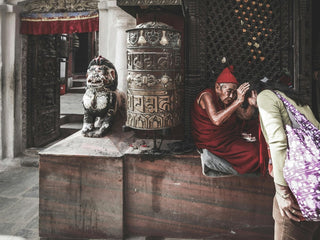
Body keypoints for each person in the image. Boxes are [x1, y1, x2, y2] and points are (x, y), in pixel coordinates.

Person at [256, 80, 320, 239]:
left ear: (253, 93)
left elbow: (278, 142)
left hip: (295, 190)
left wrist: (283, 193)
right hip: (314, 188)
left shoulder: (264, 96)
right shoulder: (298, 102)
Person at [191, 65, 267, 174]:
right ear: (218, 87)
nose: (231, 96)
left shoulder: (230, 98)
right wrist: (237, 102)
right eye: (229, 91)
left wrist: (252, 105)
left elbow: (244, 116)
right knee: (255, 154)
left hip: (229, 134)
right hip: (213, 140)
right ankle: (212, 161)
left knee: (258, 128)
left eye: (234, 93)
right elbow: (216, 120)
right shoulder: (207, 96)